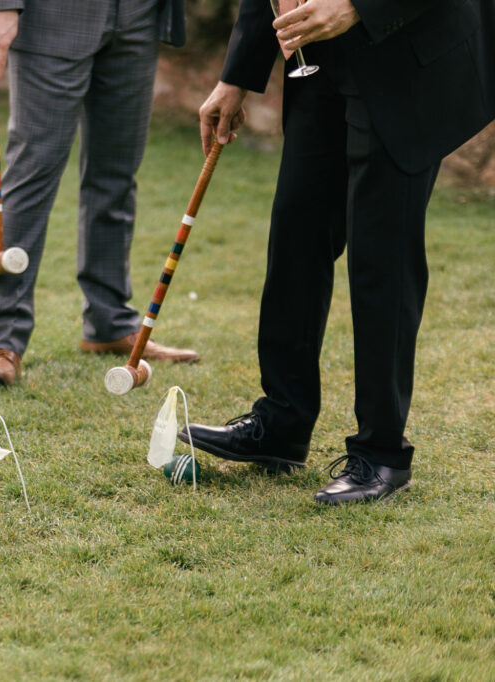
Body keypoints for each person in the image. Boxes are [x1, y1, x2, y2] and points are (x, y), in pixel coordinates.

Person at [181, 0, 494, 503]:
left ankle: (382, 454)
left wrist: (358, 6)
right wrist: (237, 75)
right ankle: (283, 422)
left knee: (381, 255)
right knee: (295, 237)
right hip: (320, 65)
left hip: (407, 61)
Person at [0, 0, 201, 389]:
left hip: (139, 15)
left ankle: (109, 323)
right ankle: (3, 340)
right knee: (32, 172)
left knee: (117, 173)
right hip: (54, 16)